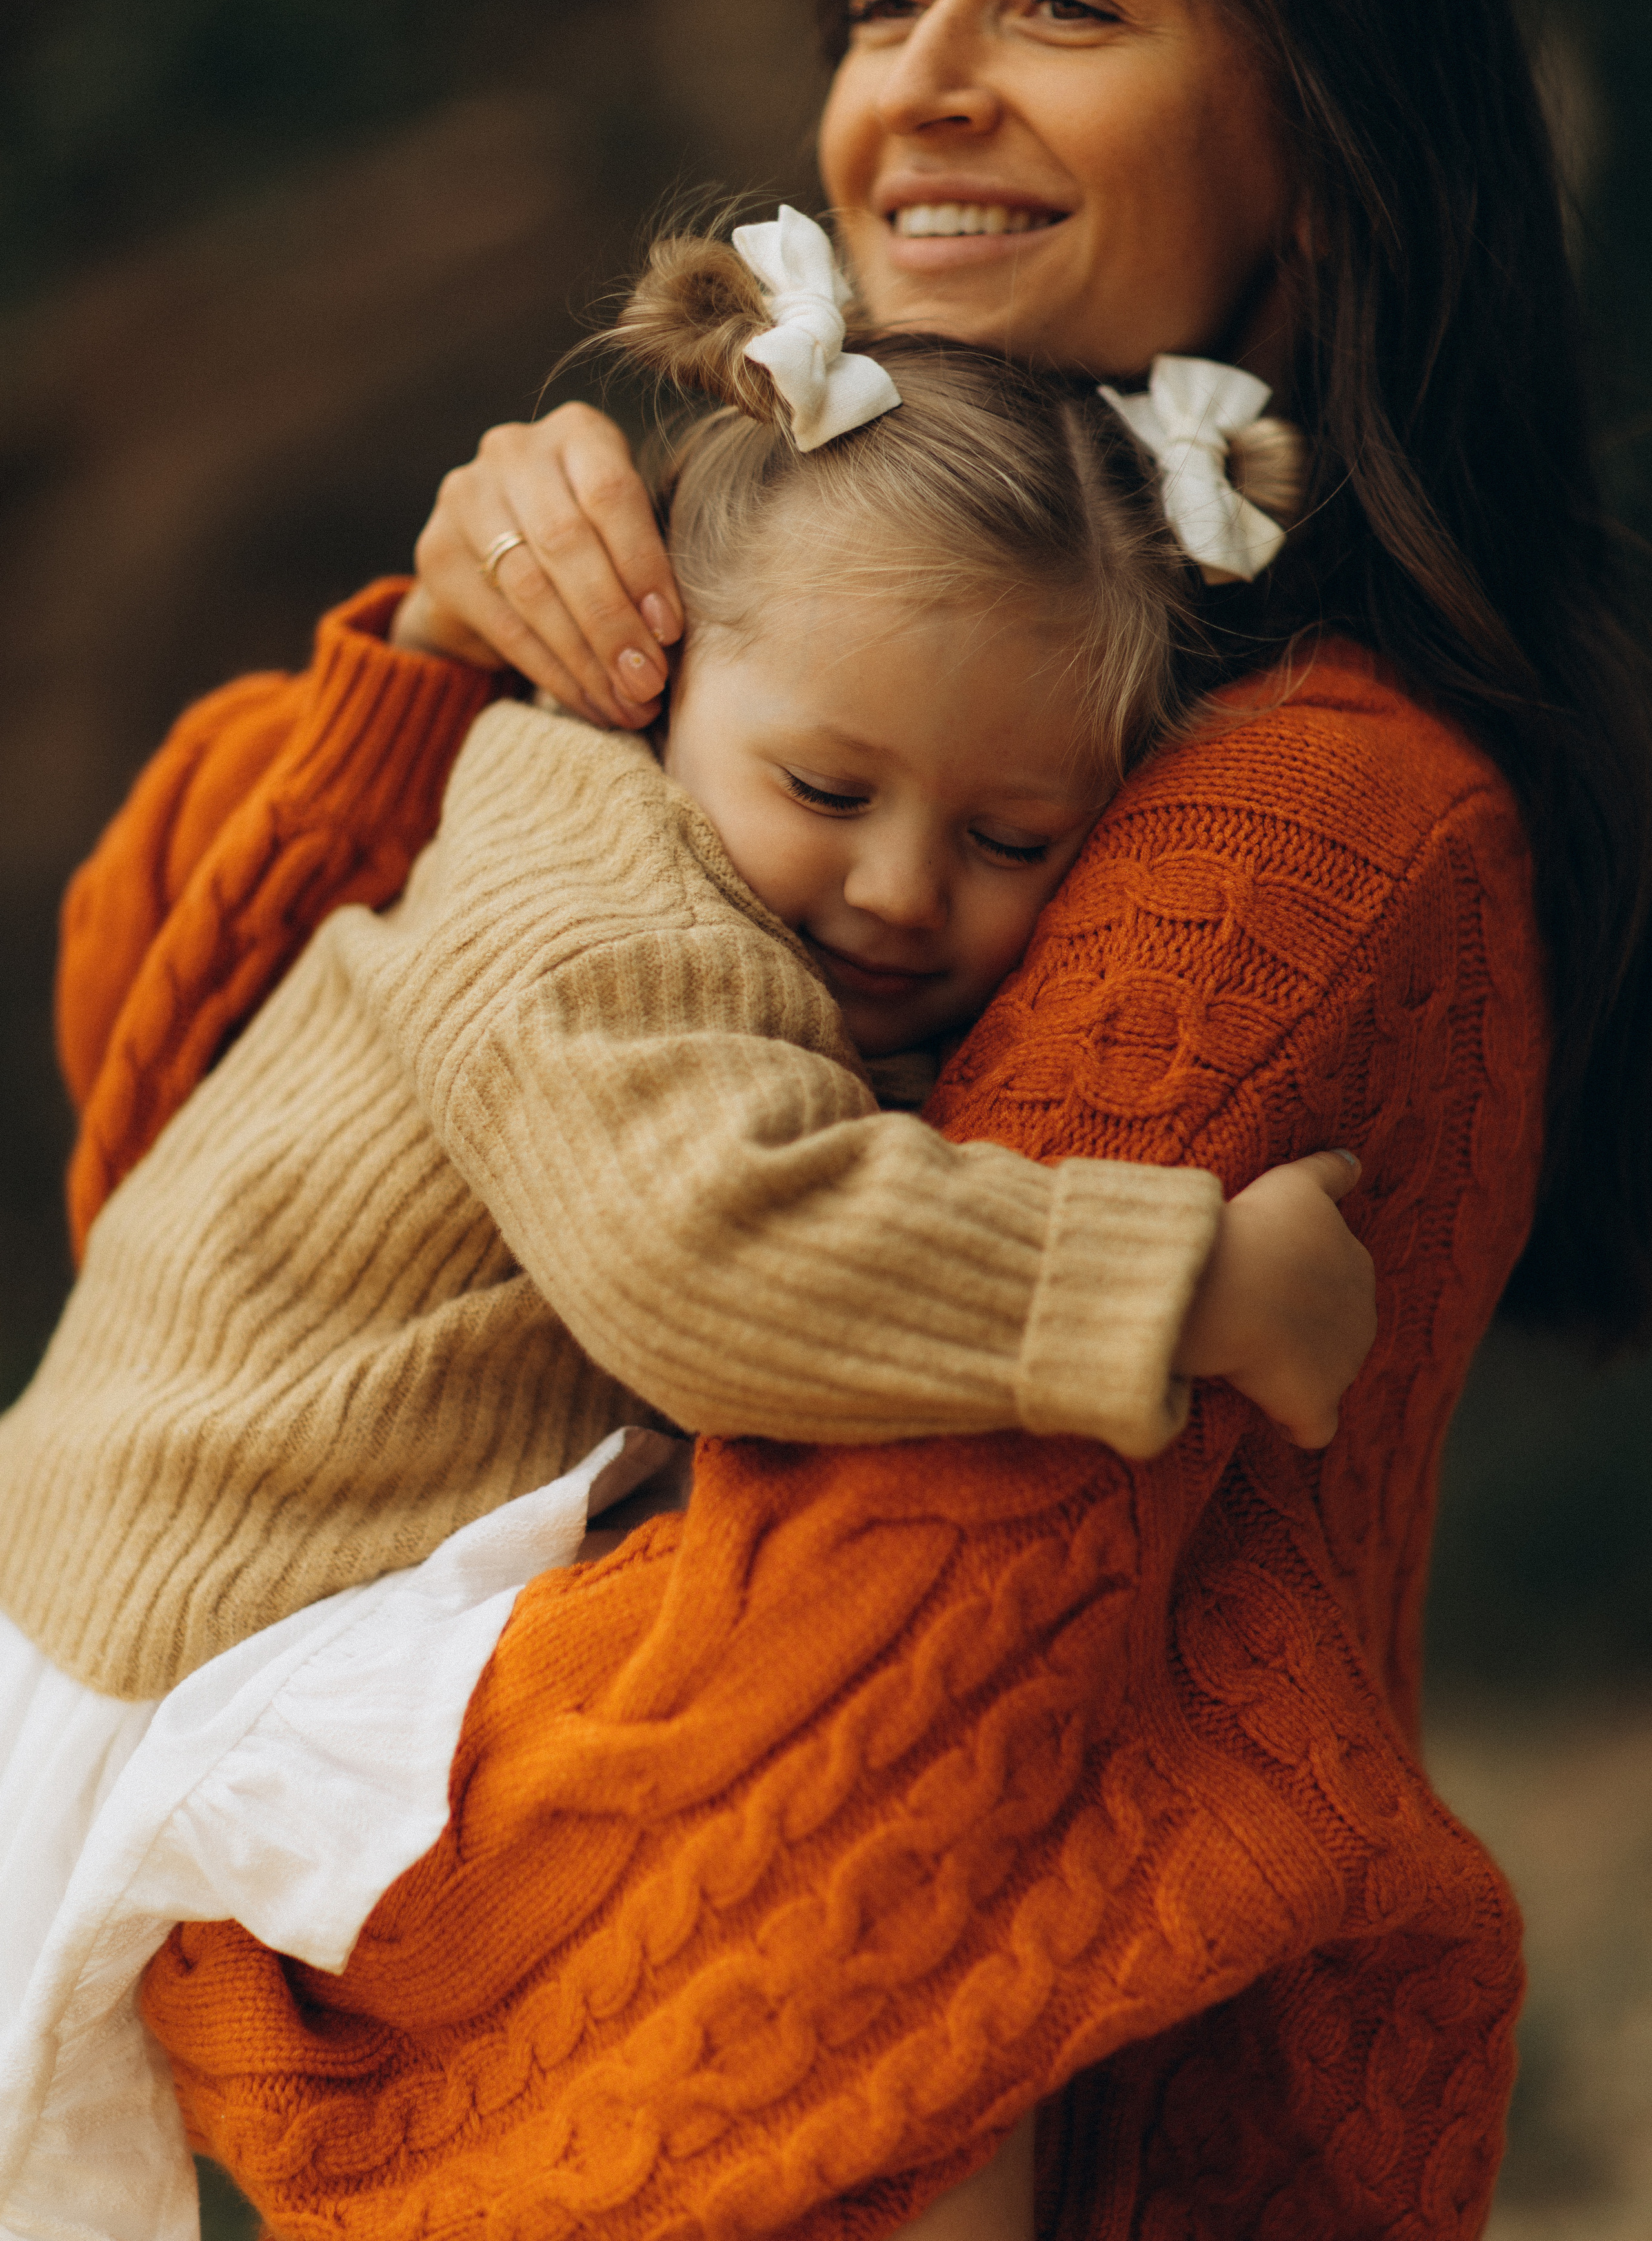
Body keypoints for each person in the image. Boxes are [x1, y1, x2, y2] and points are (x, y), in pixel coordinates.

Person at [35, 0, 1652, 2233]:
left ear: (1325, 148)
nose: (932, 80)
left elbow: (890, 1663)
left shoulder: (1298, 810)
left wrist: (306, 1902)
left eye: (1066, 6)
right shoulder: (707, 692)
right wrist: (432, 671)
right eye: (890, 3)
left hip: (878, 2100)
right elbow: (163, 1143)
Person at [0, 209, 1376, 2209]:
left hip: (276, 1558)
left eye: (1010, 840)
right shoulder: (579, 885)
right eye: (828, 792)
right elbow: (711, 1248)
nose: (900, 889)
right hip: (210, 1603)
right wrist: (1182, 1282)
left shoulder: (742, 906)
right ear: (652, 685)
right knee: (842, 1927)